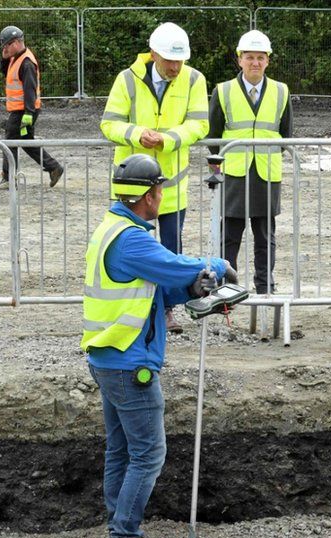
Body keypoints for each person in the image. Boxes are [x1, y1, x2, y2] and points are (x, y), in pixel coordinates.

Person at [81, 154, 235, 538]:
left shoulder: (114, 228)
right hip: (129, 362)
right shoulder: (131, 238)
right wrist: (217, 265)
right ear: (149, 195)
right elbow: (175, 265)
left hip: (109, 356)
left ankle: (121, 528)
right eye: (160, 188)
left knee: (121, 450)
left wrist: (191, 289)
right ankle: (124, 537)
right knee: (148, 454)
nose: (163, 194)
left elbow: (154, 287)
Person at [100, 21, 209, 334]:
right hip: (131, 190)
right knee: (131, 250)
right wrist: (137, 134)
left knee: (170, 254)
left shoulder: (194, 80)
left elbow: (200, 125)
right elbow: (110, 124)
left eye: (180, 61)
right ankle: (132, 311)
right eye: (169, 60)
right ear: (153, 54)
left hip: (171, 188)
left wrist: (168, 139)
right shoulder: (127, 80)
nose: (175, 66)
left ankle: (166, 310)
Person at [207, 29, 291, 295]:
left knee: (265, 236)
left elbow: (286, 133)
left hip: (266, 173)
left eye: (260, 58)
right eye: (250, 57)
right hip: (235, 172)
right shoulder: (223, 91)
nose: (255, 62)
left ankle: (265, 287)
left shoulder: (281, 91)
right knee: (230, 235)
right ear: (240, 59)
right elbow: (214, 134)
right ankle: (225, 288)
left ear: (268, 60)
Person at [0, 25, 63, 187]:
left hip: (23, 110)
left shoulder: (26, 63)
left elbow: (30, 89)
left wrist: (28, 112)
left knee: (9, 142)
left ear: (15, 43)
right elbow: (6, 73)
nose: (5, 48)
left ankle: (9, 178)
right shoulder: (16, 57)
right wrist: (4, 57)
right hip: (23, 109)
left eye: (6, 45)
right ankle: (54, 167)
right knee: (26, 141)